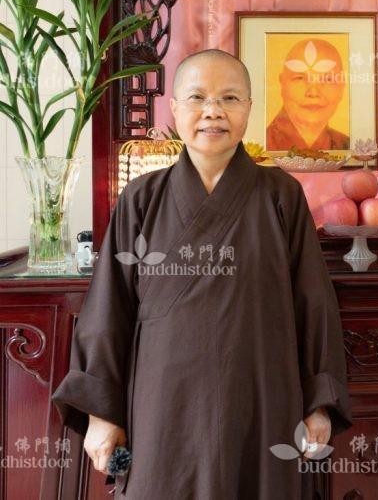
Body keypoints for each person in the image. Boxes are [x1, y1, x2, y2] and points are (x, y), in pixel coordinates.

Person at [51, 49, 353, 498]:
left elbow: (313, 305)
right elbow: (107, 311)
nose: (213, 111)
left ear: (249, 108)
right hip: (162, 403)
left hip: (262, 394)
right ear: (174, 108)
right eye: (197, 97)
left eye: (230, 98)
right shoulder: (141, 199)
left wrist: (320, 405)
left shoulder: (281, 196)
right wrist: (102, 414)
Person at [266, 38, 349, 151]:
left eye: (328, 79)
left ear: (341, 86)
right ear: (282, 84)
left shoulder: (350, 148)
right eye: (300, 78)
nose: (313, 93)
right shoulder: (259, 147)